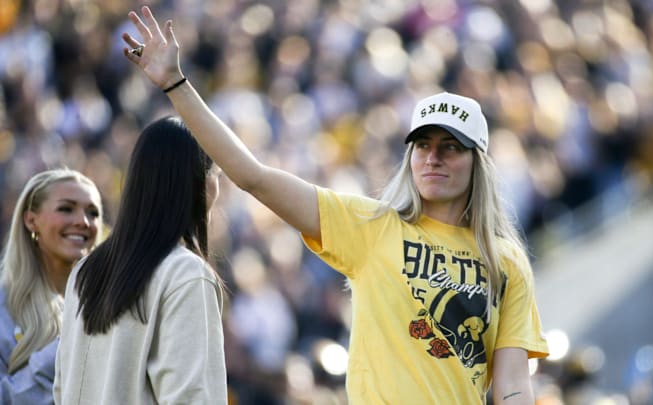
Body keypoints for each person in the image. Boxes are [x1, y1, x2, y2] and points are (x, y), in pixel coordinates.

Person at [123, 6, 549, 404]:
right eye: (422, 145)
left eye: (450, 147)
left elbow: (512, 386)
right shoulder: (370, 225)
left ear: (477, 163)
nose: (433, 157)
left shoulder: (505, 261)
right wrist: (176, 85)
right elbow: (253, 176)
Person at [53, 116, 227, 404]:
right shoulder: (186, 273)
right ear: (199, 181)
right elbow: (193, 397)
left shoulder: (85, 271)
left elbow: (61, 390)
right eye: (217, 174)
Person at [0, 168, 103, 404]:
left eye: (93, 213)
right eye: (66, 209)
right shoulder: (3, 307)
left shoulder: (106, 305)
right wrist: (69, 342)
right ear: (31, 220)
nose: (83, 222)